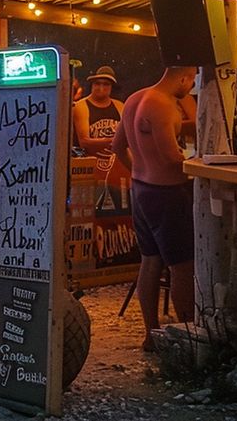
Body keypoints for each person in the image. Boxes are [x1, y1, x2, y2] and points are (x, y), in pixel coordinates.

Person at [111, 67, 198, 351]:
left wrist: (138, 169)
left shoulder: (134, 100)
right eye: (193, 80)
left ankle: (151, 334)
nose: (193, 86)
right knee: (182, 266)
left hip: (141, 189)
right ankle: (187, 336)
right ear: (184, 77)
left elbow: (117, 146)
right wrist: (199, 167)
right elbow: (172, 157)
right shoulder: (162, 105)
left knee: (150, 261)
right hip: (167, 194)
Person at [72, 66, 125, 156]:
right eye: (97, 83)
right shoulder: (81, 106)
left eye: (106, 84)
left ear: (111, 87)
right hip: (90, 162)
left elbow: (128, 137)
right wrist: (113, 141)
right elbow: (84, 142)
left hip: (116, 161)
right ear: (92, 85)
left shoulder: (120, 106)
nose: (101, 87)